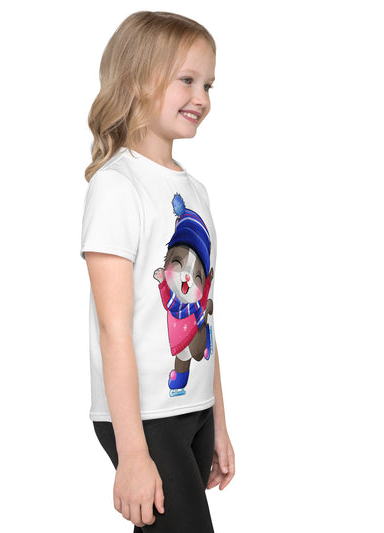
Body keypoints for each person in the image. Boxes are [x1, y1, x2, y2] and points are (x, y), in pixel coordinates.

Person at [80, 11, 234, 532]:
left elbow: (205, 317)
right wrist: (131, 453)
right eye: (187, 80)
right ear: (137, 80)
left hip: (193, 408)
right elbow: (113, 329)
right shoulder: (116, 186)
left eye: (208, 84)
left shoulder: (195, 191)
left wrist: (218, 423)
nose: (202, 98)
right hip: (144, 420)